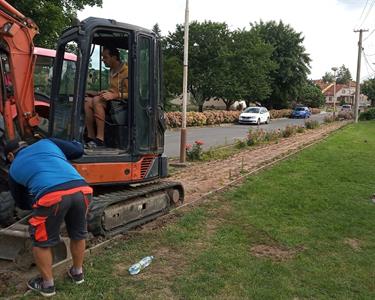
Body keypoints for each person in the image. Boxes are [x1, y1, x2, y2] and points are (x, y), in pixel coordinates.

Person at [5, 138, 93, 297]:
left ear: (10, 156)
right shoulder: (47, 143)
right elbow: (78, 150)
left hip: (52, 196)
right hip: (82, 189)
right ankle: (77, 273)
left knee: (42, 242)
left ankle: (47, 285)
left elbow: (22, 203)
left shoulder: (13, 169)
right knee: (78, 234)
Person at [85, 46, 128, 148]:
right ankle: (90, 136)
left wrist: (115, 95)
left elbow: (132, 94)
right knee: (87, 101)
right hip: (113, 102)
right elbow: (114, 88)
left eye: (105, 57)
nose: (102, 60)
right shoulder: (112, 70)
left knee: (96, 101)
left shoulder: (126, 72)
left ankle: (100, 139)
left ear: (114, 57)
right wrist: (103, 92)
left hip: (123, 105)